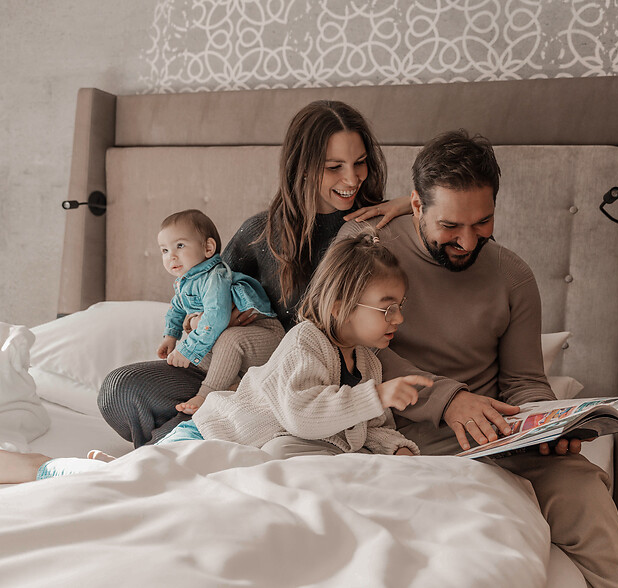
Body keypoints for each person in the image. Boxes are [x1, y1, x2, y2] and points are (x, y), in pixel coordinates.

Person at [338, 130, 618, 588]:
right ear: (416, 204)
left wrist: (548, 424)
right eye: (450, 226)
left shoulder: (513, 276)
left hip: (497, 438)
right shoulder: (364, 248)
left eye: (482, 222)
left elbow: (523, 380)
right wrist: (448, 399)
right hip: (394, 436)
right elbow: (351, 347)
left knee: (583, 486)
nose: (467, 241)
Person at [98, 100, 411, 447]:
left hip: (307, 389)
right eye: (334, 167)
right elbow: (207, 295)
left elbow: (445, 215)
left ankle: (169, 451)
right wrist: (201, 320)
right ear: (302, 167)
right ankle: (193, 439)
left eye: (360, 162)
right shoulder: (261, 232)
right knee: (121, 390)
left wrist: (411, 204)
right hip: (241, 374)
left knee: (215, 414)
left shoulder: (371, 234)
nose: (352, 179)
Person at [0, 232, 428, 483]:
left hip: (245, 452)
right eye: (387, 307)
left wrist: (398, 451)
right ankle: (43, 468)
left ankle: (104, 466)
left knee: (147, 480)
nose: (400, 317)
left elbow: (371, 430)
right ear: (339, 306)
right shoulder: (306, 343)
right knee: (128, 481)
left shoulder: (368, 365)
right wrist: (377, 396)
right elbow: (303, 415)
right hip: (211, 433)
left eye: (401, 305)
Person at [156, 209, 277, 415]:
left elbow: (217, 317)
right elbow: (176, 308)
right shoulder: (185, 282)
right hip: (240, 349)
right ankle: (235, 384)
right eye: (165, 250)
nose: (171, 256)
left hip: (265, 336)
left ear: (208, 248)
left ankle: (207, 394)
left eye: (180, 246)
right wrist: (170, 337)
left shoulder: (215, 277)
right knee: (198, 351)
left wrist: (189, 349)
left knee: (222, 340)